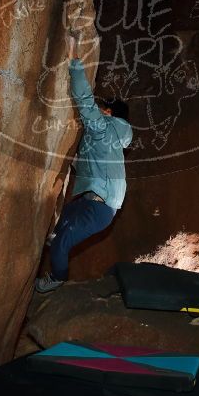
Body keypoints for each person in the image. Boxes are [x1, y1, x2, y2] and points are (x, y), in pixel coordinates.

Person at [35, 36, 132, 293]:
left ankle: (56, 279)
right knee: (63, 221)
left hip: (99, 208)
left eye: (103, 108)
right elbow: (89, 165)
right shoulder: (108, 137)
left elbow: (85, 102)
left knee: (61, 242)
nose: (99, 110)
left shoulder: (103, 129)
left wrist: (74, 61)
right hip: (93, 202)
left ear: (109, 114)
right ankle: (55, 243)